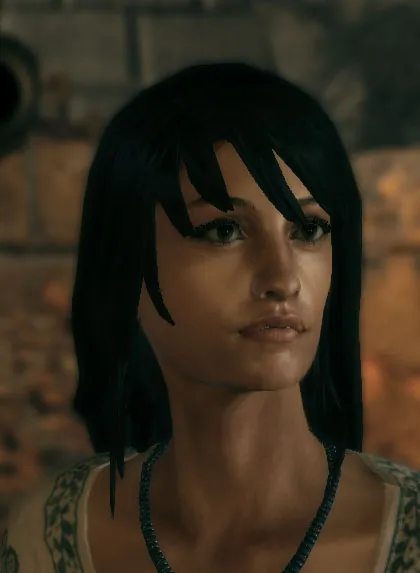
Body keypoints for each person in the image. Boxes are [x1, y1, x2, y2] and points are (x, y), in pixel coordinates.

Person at [1, 63, 419, 573]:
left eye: (308, 230)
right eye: (224, 231)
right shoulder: (53, 534)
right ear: (127, 264)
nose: (282, 278)